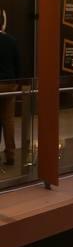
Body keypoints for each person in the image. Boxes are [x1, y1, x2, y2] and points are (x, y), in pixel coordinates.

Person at [0, 28, 20, 167]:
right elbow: (18, 64)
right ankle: (10, 155)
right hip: (9, 84)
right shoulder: (12, 40)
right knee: (8, 120)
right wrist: (17, 82)